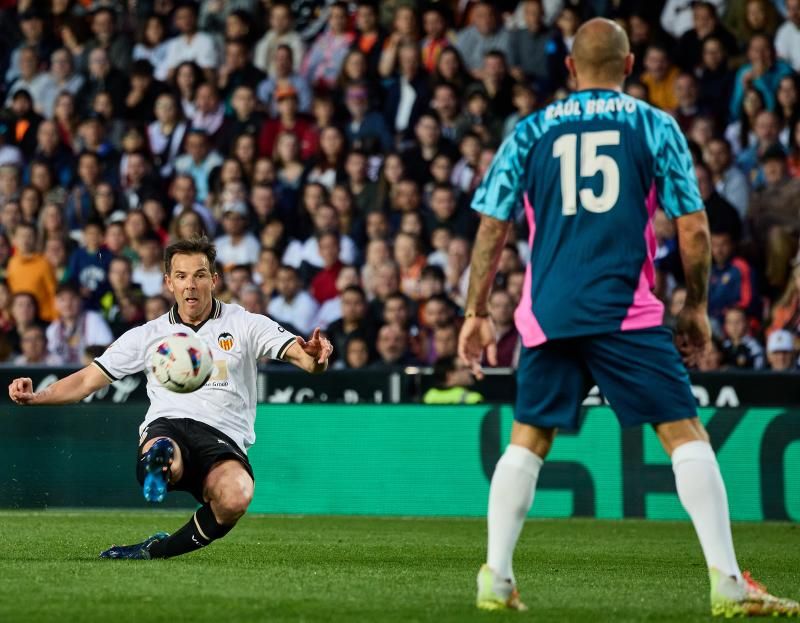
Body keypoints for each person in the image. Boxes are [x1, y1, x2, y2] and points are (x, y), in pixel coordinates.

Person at [457, 17, 800, 616]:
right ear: (630, 65)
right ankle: (726, 582)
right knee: (682, 432)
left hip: (549, 314)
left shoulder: (531, 129)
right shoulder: (652, 124)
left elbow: (493, 224)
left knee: (528, 439)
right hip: (625, 311)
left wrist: (475, 311)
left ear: (569, 67)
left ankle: (497, 577)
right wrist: (696, 306)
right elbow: (692, 227)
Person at [9, 237, 332, 560]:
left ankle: (156, 550)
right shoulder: (148, 335)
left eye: (199, 275)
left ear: (214, 280)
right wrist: (38, 396)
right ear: (168, 283)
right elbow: (85, 380)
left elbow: (303, 358)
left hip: (224, 438)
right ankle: (160, 461)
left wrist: (315, 360)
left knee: (237, 497)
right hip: (170, 424)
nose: (190, 285)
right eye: (181, 276)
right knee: (165, 449)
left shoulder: (245, 324)